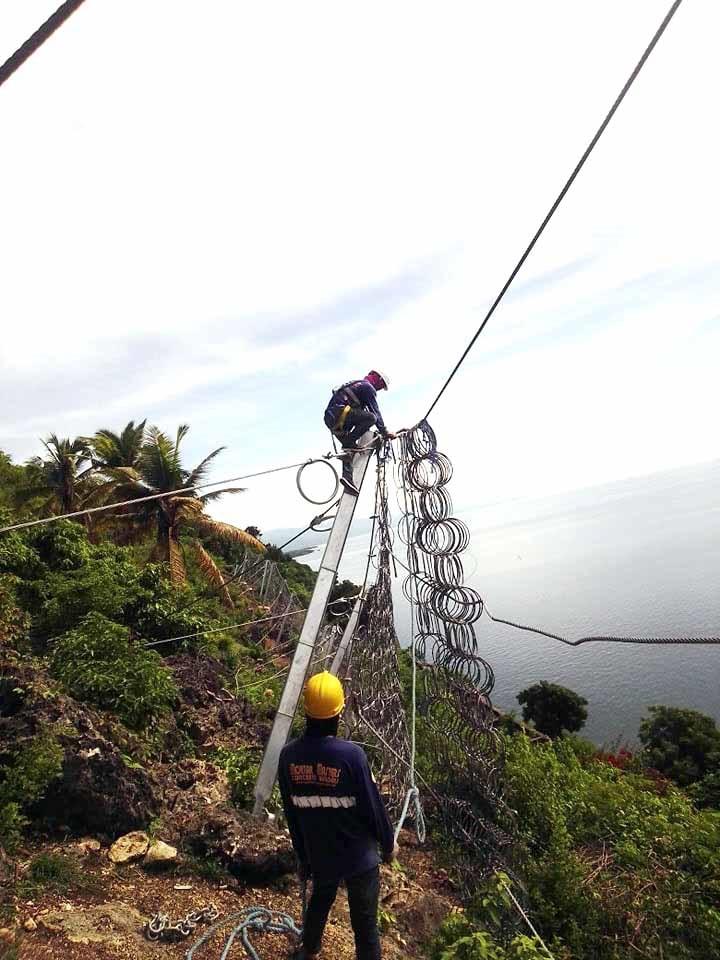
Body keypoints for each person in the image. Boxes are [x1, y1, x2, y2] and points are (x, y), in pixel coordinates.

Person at [278, 671, 397, 960]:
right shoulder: (351, 756)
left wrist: (303, 858)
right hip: (359, 858)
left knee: (320, 899)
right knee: (365, 925)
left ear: (306, 712)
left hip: (321, 854)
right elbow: (373, 807)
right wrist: (389, 843)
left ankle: (308, 949)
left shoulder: (288, 757)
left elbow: (293, 816)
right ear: (339, 712)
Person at [324, 370, 396, 495]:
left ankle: (347, 479)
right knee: (371, 418)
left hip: (333, 420)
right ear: (378, 379)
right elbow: (375, 412)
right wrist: (385, 432)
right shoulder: (368, 388)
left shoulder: (356, 385)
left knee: (349, 448)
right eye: (381, 385)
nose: (379, 389)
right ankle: (349, 442)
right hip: (340, 414)